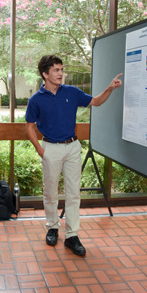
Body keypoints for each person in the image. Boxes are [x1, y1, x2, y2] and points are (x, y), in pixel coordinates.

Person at [26, 55, 122, 256]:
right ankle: (52, 227)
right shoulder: (36, 99)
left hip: (72, 147)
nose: (61, 73)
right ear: (45, 74)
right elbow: (29, 127)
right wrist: (39, 149)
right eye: (56, 70)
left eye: (62, 69)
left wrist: (110, 88)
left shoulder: (71, 92)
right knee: (50, 191)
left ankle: (72, 235)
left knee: (73, 193)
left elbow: (95, 101)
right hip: (50, 148)